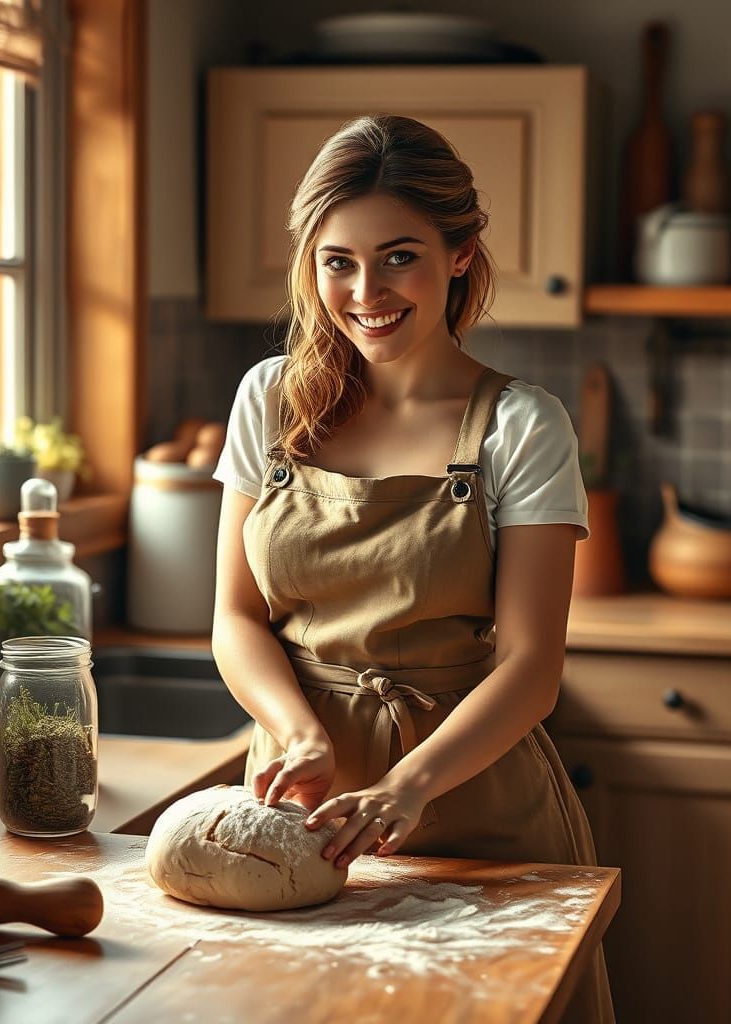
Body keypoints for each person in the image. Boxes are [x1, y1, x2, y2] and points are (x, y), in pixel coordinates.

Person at [211, 114, 614, 1023]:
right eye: (337, 261)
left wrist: (407, 787)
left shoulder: (522, 425)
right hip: (299, 812)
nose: (366, 292)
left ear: (461, 253)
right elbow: (235, 615)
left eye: (400, 257)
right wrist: (299, 735)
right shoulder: (268, 400)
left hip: (474, 804)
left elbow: (530, 668)